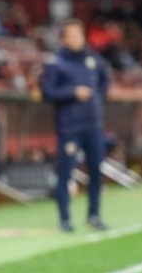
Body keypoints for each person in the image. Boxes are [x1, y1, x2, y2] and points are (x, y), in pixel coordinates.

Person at [39, 19, 111, 233]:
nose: (77, 39)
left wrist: (97, 98)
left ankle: (94, 215)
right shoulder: (55, 63)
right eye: (72, 35)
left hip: (93, 125)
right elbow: (47, 92)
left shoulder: (93, 59)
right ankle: (65, 219)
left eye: (79, 35)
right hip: (69, 127)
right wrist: (72, 92)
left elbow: (105, 80)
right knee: (65, 172)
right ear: (63, 39)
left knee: (96, 172)